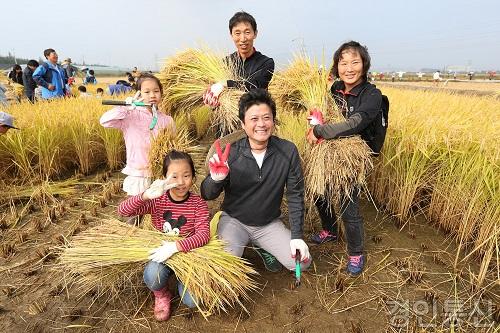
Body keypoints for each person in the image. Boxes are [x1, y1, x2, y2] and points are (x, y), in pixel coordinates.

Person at [201, 89, 311, 273]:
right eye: (254, 119)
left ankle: (261, 245)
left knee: (301, 263)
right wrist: (216, 179)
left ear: (273, 121)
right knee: (225, 268)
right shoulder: (230, 152)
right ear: (243, 124)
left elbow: (295, 195)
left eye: (266, 118)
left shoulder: (287, 150)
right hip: (234, 221)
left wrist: (297, 236)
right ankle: (236, 238)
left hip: (268, 224)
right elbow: (207, 194)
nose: (261, 124)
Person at [306, 41, 384, 276]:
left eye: (355, 62)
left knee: (348, 205)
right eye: (343, 62)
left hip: (353, 159)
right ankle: (330, 230)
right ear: (337, 66)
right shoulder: (333, 89)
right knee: (321, 193)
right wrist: (313, 122)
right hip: (327, 152)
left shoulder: (372, 95)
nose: (349, 68)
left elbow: (354, 124)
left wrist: (319, 131)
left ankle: (356, 252)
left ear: (364, 65)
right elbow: (319, 113)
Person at [119, 150, 209, 321]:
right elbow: (123, 210)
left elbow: (203, 235)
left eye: (186, 175)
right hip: (161, 254)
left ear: (193, 177)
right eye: (174, 177)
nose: (181, 182)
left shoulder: (198, 204)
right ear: (164, 177)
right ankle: (162, 294)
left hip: (188, 255)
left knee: (192, 301)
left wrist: (176, 247)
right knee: (153, 276)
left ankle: (181, 279)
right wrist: (146, 195)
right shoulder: (158, 200)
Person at [100, 73, 175, 223]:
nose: (152, 95)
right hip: (139, 174)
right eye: (147, 92)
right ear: (139, 93)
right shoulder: (130, 116)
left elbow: (173, 147)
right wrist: (125, 108)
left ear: (161, 93)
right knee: (134, 216)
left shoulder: (167, 120)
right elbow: (104, 121)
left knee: (159, 215)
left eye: (156, 91)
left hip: (160, 175)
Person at [202, 11, 275, 107]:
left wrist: (226, 84)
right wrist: (212, 100)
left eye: (247, 32)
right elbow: (216, 92)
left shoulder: (266, 63)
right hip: (228, 119)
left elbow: (256, 86)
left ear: (255, 34)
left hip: (255, 117)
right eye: (237, 33)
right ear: (231, 35)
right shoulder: (225, 63)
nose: (243, 38)